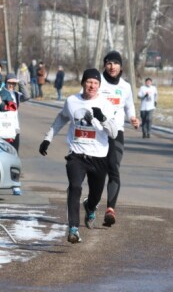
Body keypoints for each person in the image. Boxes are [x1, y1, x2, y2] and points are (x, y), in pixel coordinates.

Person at [38, 68, 117, 243]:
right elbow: (61, 118)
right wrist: (48, 138)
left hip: (99, 156)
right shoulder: (72, 101)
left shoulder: (106, 104)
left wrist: (102, 118)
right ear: (83, 83)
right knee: (75, 187)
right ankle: (73, 228)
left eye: (95, 83)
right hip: (77, 154)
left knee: (96, 194)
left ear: (99, 86)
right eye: (89, 82)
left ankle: (90, 207)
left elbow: (113, 134)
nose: (92, 86)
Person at [98, 50, 140, 227]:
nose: (112, 66)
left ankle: (110, 210)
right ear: (105, 65)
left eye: (115, 63)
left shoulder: (125, 86)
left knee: (114, 168)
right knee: (98, 172)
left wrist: (132, 118)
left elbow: (129, 107)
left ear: (121, 67)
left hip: (117, 132)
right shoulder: (97, 82)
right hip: (98, 132)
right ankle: (91, 204)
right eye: (108, 63)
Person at [2, 73, 23, 196]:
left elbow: (27, 96)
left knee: (15, 158)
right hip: (2, 130)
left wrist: (20, 83)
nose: (11, 85)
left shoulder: (16, 94)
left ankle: (15, 184)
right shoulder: (1, 93)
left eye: (13, 83)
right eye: (9, 83)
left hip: (14, 131)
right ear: (5, 82)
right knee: (1, 157)